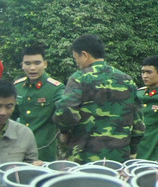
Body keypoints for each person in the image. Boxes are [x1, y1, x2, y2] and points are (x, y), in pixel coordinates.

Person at [54, 34, 144, 163]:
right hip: (118, 158)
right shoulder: (127, 80)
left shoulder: (79, 78)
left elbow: (66, 111)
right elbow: (138, 123)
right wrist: (133, 150)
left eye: (76, 59)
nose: (77, 64)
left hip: (83, 157)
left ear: (84, 55)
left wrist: (64, 131)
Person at [12, 42, 64, 161]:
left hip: (43, 151)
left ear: (45, 64)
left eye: (37, 63)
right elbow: (10, 116)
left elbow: (64, 113)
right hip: (19, 150)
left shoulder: (56, 88)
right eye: (27, 63)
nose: (32, 68)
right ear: (22, 65)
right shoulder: (17, 86)